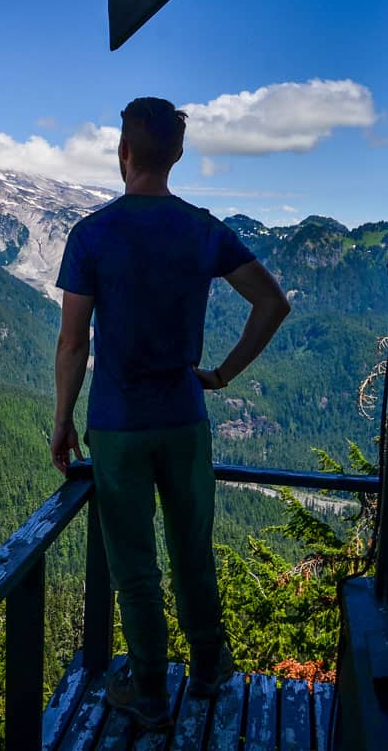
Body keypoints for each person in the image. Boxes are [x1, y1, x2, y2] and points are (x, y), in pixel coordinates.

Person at [51, 97, 290, 729]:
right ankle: (209, 668)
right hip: (185, 418)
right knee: (193, 550)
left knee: (135, 566)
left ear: (122, 152)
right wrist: (222, 374)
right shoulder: (203, 228)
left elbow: (74, 341)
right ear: (177, 155)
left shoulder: (92, 234)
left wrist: (61, 421)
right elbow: (272, 304)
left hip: (118, 426)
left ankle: (150, 692)